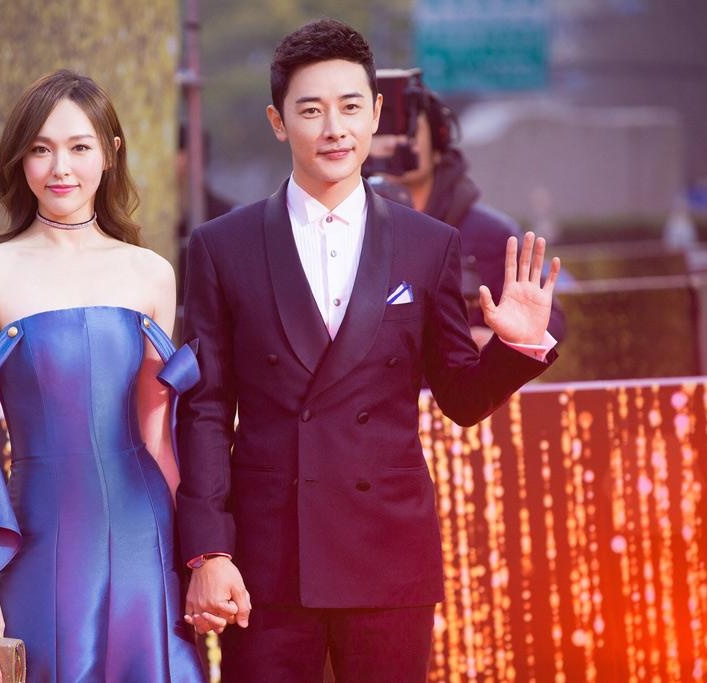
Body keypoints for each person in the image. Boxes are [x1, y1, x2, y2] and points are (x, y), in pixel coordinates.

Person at [175, 19, 561, 682]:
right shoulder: (221, 246)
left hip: (387, 556)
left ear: (377, 114)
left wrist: (517, 345)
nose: (334, 128)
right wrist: (209, 550)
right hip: (268, 561)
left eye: (350, 107)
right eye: (311, 110)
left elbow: (461, 398)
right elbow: (206, 409)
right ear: (277, 121)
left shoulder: (428, 244)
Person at [0, 71, 204, 683]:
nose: (61, 168)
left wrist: (200, 554)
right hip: (37, 531)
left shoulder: (151, 272)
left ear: (110, 152)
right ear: (20, 158)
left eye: (79, 147)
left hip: (147, 532)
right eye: (41, 148)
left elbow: (157, 430)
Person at [369, 87, 568, 349]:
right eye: (380, 131)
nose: (393, 142)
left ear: (437, 145)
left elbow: (547, 320)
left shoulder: (492, 235)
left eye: (408, 130)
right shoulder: (343, 228)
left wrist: (500, 343)